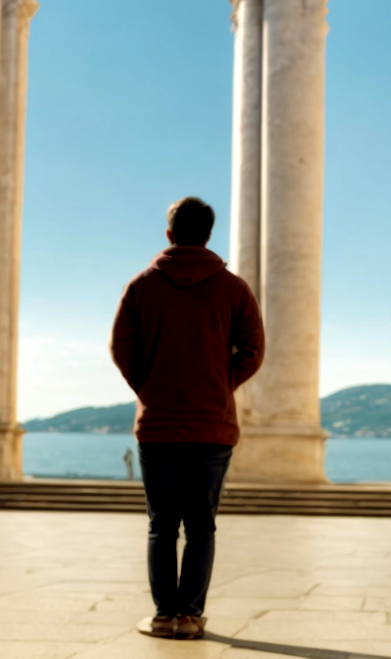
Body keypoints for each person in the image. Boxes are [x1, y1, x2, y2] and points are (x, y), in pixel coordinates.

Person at [111, 196, 264, 641]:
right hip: (212, 425)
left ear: (169, 233)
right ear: (209, 234)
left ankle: (163, 615)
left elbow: (122, 349)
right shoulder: (234, 289)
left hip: (158, 424)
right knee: (201, 526)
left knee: (162, 524)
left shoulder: (141, 286)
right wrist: (220, 384)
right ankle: (190, 616)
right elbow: (253, 350)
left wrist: (152, 388)